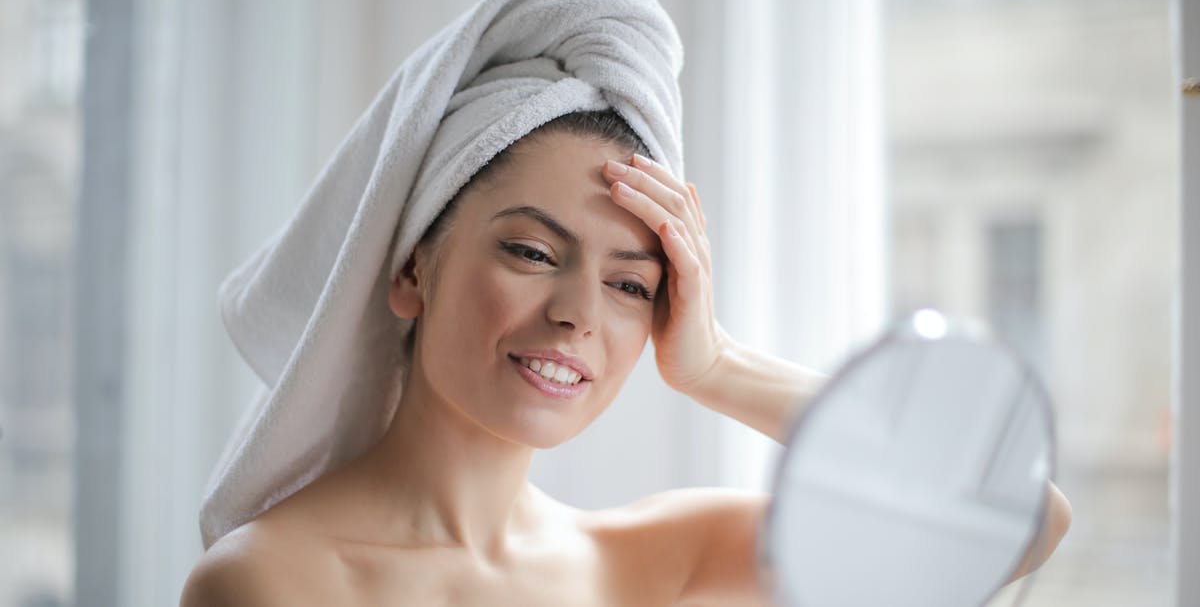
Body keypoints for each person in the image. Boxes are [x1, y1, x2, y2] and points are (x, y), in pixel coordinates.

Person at [180, 107, 1071, 605]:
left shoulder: (654, 560)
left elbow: (1022, 518)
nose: (577, 315)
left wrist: (717, 366)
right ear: (414, 267)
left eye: (631, 286)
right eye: (531, 252)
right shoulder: (270, 579)